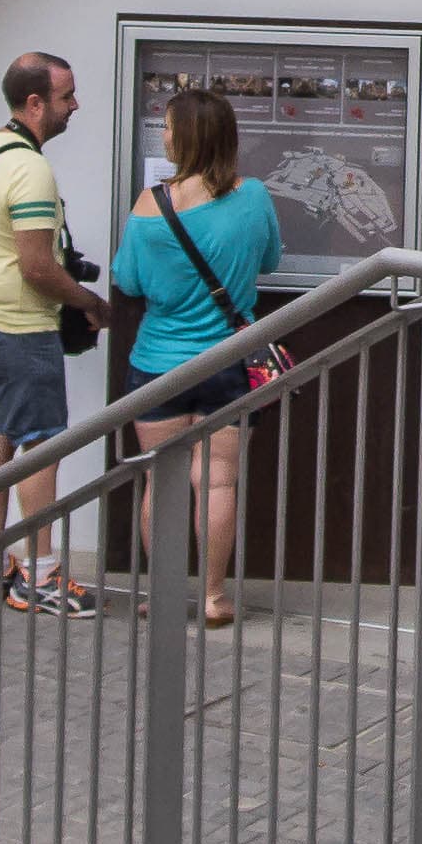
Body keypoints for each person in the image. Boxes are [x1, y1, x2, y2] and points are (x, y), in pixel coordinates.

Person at [109, 85, 285, 632]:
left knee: (159, 482)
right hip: (230, 363)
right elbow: (270, 261)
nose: (162, 134)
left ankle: (162, 594)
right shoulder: (253, 196)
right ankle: (212, 597)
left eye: (167, 126)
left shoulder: (148, 206)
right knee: (218, 482)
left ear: (183, 138)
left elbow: (127, 281)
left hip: (158, 364)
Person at [0, 51, 109, 615]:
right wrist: (90, 302)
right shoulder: (31, 168)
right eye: (67, 96)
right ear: (35, 103)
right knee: (42, 447)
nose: (76, 105)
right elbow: (37, 267)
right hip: (16, 328)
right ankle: (41, 576)